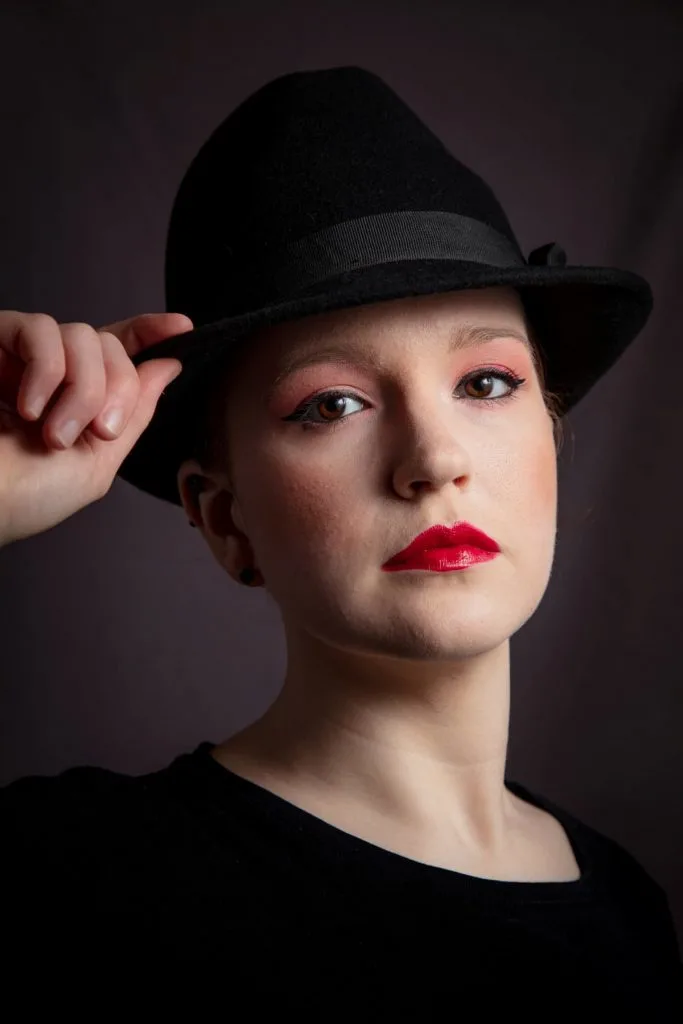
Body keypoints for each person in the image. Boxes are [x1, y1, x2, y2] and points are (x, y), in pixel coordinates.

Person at [0, 66, 680, 1006]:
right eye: (333, 404)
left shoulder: (637, 914)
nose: (432, 460)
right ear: (224, 517)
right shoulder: (59, 879)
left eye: (485, 383)